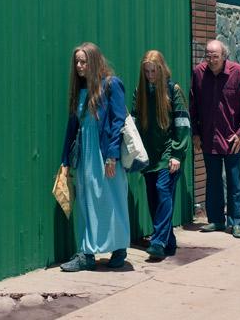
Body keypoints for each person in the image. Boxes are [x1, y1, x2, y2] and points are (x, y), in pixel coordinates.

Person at [59, 42, 130, 272]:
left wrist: (112, 156)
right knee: (86, 203)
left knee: (110, 201)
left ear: (94, 61)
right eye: (77, 62)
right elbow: (71, 128)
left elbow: (119, 120)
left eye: (83, 61)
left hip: (105, 154)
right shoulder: (79, 90)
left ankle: (119, 249)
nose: (79, 66)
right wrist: (65, 162)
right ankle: (86, 254)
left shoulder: (111, 85)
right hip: (84, 156)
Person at [190, 39, 240, 238]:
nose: (210, 60)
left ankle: (235, 222)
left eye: (214, 56)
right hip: (209, 138)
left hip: (232, 139)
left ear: (223, 56)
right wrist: (196, 134)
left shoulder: (238, 72)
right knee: (213, 181)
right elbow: (193, 106)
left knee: (234, 181)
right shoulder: (199, 73)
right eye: (207, 56)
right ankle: (216, 220)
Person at [132, 50, 190, 260]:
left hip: (168, 152)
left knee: (162, 189)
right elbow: (134, 122)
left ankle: (157, 242)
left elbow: (183, 124)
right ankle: (169, 241)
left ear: (161, 69)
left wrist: (177, 154)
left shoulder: (173, 91)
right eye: (146, 71)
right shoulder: (140, 92)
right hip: (148, 154)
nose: (150, 75)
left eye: (153, 71)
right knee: (152, 196)